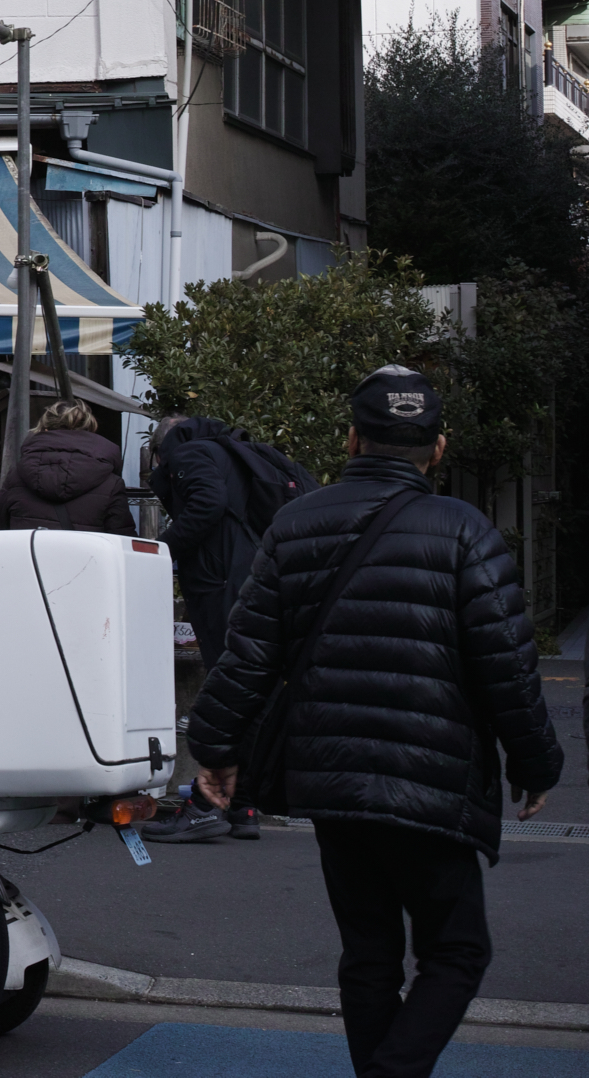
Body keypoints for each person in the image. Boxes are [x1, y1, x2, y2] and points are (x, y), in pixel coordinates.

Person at [186, 365, 562, 1078]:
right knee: (457, 949)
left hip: (332, 774)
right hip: (434, 777)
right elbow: (508, 665)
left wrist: (215, 747)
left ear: (352, 438)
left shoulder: (296, 523)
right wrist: (535, 762)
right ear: (439, 447)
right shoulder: (465, 532)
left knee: (369, 952)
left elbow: (249, 653)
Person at [141, 410, 261, 842]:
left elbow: (206, 505)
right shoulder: (227, 451)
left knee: (224, 691)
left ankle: (210, 804)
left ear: (160, 448)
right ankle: (242, 803)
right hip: (242, 574)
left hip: (219, 580)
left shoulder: (189, 455)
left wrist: (159, 550)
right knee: (241, 688)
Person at [0, 400, 134, 536]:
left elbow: (0, 531)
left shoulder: (16, 476)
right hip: (86, 558)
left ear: (45, 430)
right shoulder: (110, 483)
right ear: (90, 433)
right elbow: (121, 539)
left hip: (28, 557)